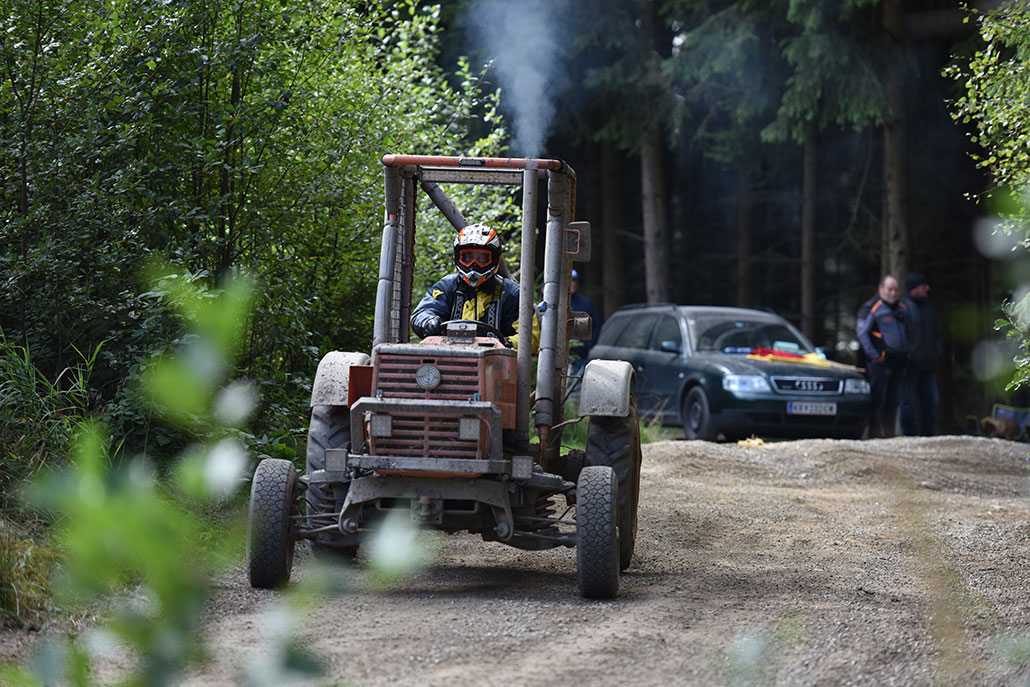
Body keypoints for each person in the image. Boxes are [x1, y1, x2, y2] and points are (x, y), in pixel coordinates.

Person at [410, 223, 538, 350]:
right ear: (457, 257)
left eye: (482, 258)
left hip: (495, 360)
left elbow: (530, 336)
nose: (474, 264)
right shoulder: (447, 286)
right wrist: (429, 322)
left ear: (495, 259)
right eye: (468, 257)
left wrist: (504, 344)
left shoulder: (512, 294)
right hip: (448, 358)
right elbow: (422, 312)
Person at [857, 275, 909, 438]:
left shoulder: (902, 308)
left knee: (893, 400)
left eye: (896, 290)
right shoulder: (872, 307)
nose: (893, 293)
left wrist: (908, 353)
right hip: (880, 361)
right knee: (878, 399)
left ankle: (889, 435)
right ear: (881, 289)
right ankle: (874, 435)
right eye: (889, 289)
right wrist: (874, 355)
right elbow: (862, 333)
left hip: (899, 360)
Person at [899, 272, 941, 436]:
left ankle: (927, 436)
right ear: (914, 288)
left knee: (931, 403)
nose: (927, 288)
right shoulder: (903, 308)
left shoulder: (930, 308)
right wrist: (905, 356)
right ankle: (909, 437)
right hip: (909, 366)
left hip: (929, 365)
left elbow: (936, 333)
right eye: (924, 286)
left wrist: (937, 352)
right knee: (907, 404)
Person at [569, 269, 600, 367]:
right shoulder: (557, 302)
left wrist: (589, 345)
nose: (573, 284)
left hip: (581, 356)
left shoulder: (586, 303)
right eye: (570, 281)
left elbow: (595, 326)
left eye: (575, 281)